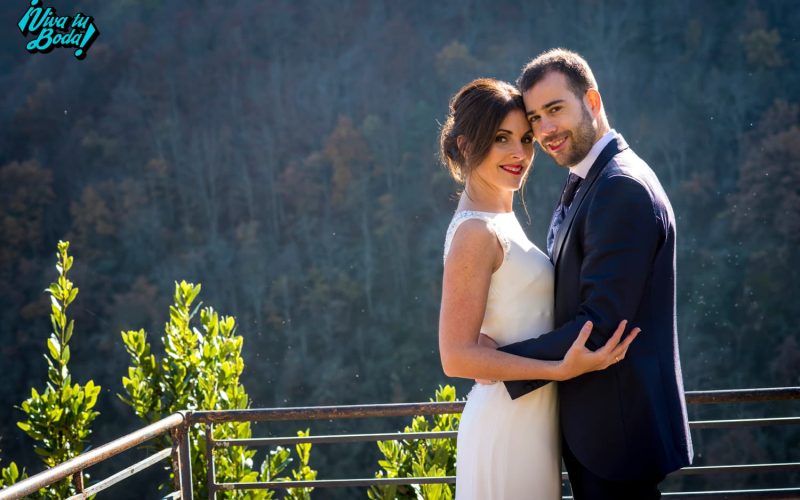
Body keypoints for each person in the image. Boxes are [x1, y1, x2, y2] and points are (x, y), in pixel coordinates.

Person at [489, 49, 693, 499]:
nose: (545, 130)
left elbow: (600, 325)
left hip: (617, 431)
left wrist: (499, 361)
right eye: (535, 117)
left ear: (593, 102)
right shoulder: (590, 178)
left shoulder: (620, 187)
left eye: (556, 109)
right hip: (597, 428)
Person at [438, 77, 639, 499]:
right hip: (505, 423)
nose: (519, 154)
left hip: (534, 420)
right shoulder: (475, 230)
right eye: (500, 139)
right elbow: (455, 357)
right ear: (465, 145)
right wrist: (558, 369)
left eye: (526, 138)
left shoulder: (499, 218)